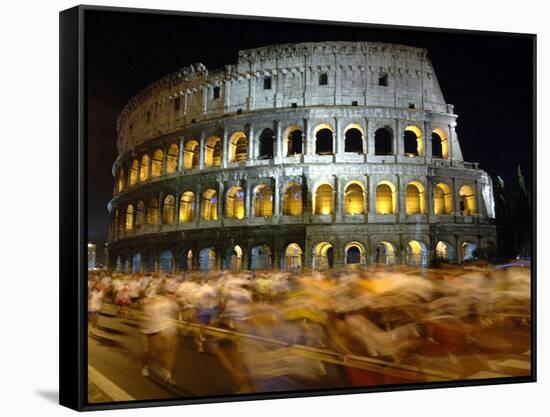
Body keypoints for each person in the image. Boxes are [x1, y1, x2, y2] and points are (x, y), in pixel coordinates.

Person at [140, 289, 179, 385]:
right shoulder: (150, 301)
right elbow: (146, 312)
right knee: (149, 352)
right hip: (149, 329)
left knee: (169, 349)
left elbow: (176, 312)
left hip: (165, 327)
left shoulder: (170, 302)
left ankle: (167, 375)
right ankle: (145, 366)